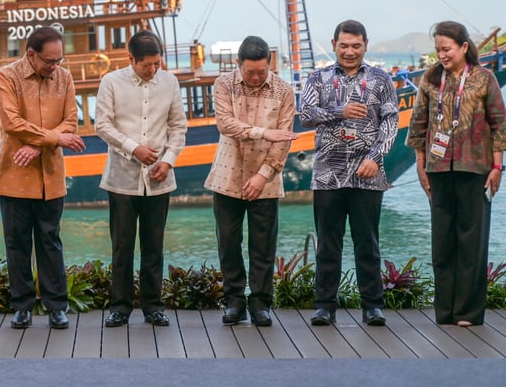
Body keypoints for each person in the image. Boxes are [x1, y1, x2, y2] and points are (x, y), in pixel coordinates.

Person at [406, 21, 506, 326]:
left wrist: (498, 167)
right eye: (438, 50)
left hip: (475, 168)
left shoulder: (483, 78)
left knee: (472, 242)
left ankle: (468, 312)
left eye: (446, 49)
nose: (441, 55)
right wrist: (421, 165)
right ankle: (445, 311)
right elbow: (418, 125)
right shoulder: (430, 78)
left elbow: (499, 124)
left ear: (464, 47)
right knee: (443, 243)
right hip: (437, 169)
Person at [300, 20, 397, 327]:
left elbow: (391, 123)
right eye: (344, 46)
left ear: (366, 45)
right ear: (334, 45)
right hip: (328, 175)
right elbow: (305, 115)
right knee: (328, 243)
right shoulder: (319, 78)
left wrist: (376, 157)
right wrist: (340, 111)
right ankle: (325, 306)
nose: (350, 51)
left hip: (367, 175)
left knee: (367, 243)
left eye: (356, 46)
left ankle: (372, 306)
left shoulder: (382, 80)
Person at [0, 26, 85, 330]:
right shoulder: (7, 75)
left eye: (59, 60)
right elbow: (11, 122)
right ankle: (22, 307)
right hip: (14, 173)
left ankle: (57, 306)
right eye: (49, 61)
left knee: (50, 240)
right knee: (17, 243)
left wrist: (38, 144)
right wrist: (51, 139)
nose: (55, 67)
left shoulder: (66, 77)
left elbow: (71, 120)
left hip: (51, 175)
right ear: (31, 54)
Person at [95, 31, 186, 329]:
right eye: (147, 64)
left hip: (159, 177)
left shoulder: (170, 82)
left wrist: (169, 161)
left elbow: (178, 127)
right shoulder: (111, 82)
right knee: (121, 246)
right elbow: (103, 125)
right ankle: (119, 308)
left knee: (154, 246)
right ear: (130, 59)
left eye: (157, 63)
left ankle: (153, 307)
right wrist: (135, 149)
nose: (153, 70)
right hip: (121, 178)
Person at [205, 35, 296, 327]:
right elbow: (225, 124)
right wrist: (262, 132)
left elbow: (284, 140)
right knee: (229, 243)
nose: (256, 77)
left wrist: (263, 175)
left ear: (269, 65)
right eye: (250, 72)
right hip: (227, 174)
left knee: (262, 246)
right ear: (238, 64)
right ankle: (234, 301)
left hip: (266, 179)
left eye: (262, 71)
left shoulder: (284, 90)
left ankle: (260, 303)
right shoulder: (224, 84)